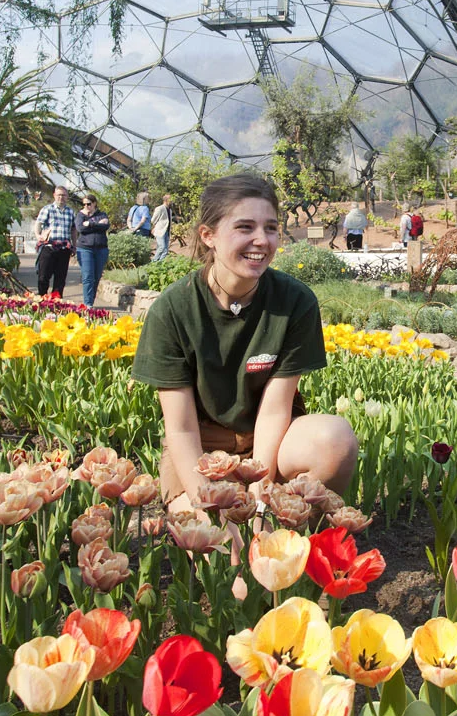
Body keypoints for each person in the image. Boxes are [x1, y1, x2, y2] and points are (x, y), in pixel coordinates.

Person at [133, 173, 359, 512]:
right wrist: (205, 500)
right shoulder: (173, 310)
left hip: (272, 438)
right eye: (244, 227)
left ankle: (300, 538)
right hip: (202, 445)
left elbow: (274, 410)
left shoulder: (294, 302)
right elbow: (180, 429)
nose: (261, 240)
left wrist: (260, 495)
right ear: (208, 235)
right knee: (212, 539)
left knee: (335, 439)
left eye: (270, 228)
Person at [34, 185, 79, 297]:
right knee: (43, 276)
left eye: (63, 195)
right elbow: (38, 224)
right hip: (48, 247)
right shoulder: (47, 209)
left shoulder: (70, 212)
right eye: (59, 195)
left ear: (67, 197)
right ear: (54, 195)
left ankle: (56, 303)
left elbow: (73, 229)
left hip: (64, 249)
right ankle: (42, 300)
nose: (61, 197)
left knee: (60, 278)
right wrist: (38, 236)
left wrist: (74, 245)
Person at [76, 194, 111, 308]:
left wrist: (90, 224)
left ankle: (91, 299)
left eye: (89, 204)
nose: (86, 206)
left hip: (101, 249)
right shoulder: (81, 215)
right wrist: (97, 224)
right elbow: (80, 228)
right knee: (88, 276)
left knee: (96, 277)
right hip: (85, 248)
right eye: (84, 204)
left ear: (94, 203)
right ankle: (88, 304)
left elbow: (105, 226)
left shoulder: (102, 214)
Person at [152, 194, 174, 263]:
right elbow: (153, 220)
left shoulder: (170, 210)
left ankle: (160, 263)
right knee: (161, 247)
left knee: (165, 250)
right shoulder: (160, 208)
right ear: (166, 200)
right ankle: (154, 262)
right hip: (160, 231)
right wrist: (154, 227)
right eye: (171, 200)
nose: (172, 202)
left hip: (167, 231)